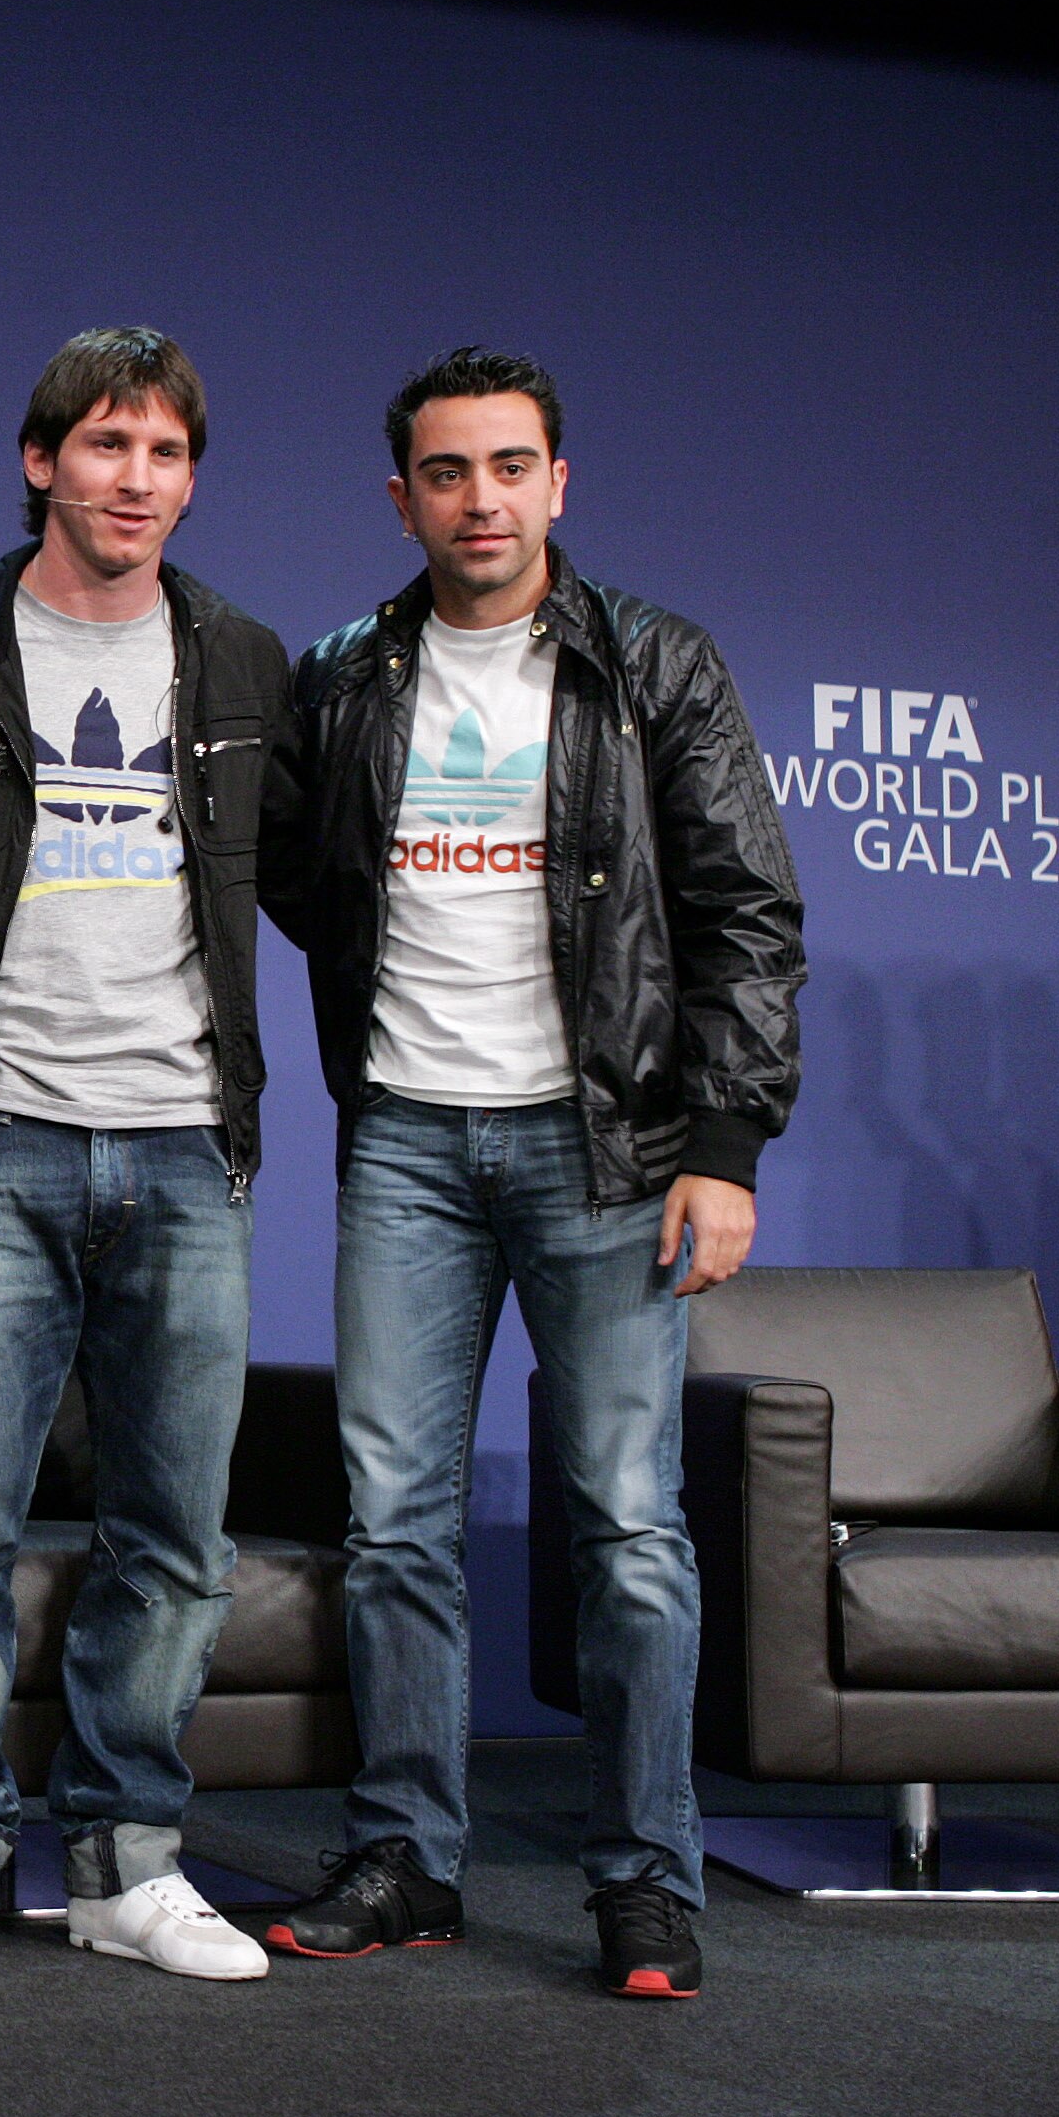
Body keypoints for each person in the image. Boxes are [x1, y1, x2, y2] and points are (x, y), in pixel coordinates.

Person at [256, 347, 804, 2000]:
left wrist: (722, 1143)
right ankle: (411, 1855)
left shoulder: (656, 666)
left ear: (558, 483)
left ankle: (645, 1879)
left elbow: (745, 914)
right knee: (395, 1524)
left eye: (510, 468)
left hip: (610, 1149)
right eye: (446, 471)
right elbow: (299, 876)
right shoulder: (346, 675)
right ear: (403, 494)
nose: (479, 500)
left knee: (630, 1525)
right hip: (409, 1144)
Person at [0, 329, 287, 1990]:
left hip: (185, 1148)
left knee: (175, 1533)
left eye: (166, 454)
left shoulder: (242, 660)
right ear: (42, 461)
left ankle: (125, 1861)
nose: (136, 483)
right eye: (107, 447)